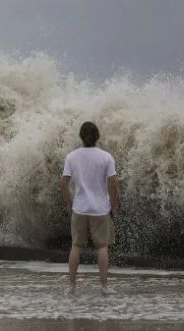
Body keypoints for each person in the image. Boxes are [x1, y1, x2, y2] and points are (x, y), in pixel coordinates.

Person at [61, 121, 119, 296]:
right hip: (100, 209)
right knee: (102, 247)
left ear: (81, 136)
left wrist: (70, 204)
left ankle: (71, 286)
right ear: (97, 137)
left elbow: (63, 184)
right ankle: (104, 286)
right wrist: (114, 206)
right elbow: (113, 185)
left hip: (80, 208)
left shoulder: (71, 156)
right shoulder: (106, 157)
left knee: (76, 246)